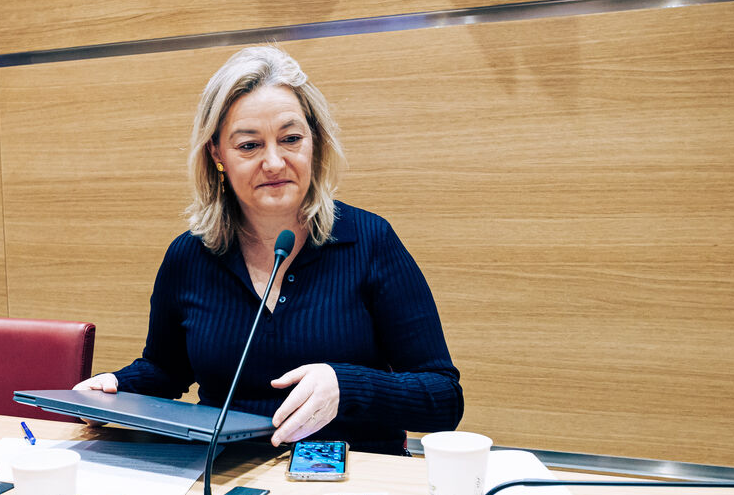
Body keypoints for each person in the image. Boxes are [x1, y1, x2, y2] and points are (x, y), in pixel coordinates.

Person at [74, 45, 462, 453]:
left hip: (348, 475)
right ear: (217, 154)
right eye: (249, 146)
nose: (274, 162)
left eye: (291, 139)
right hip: (222, 474)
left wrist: (347, 386)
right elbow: (166, 369)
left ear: (314, 141)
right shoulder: (189, 256)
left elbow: (443, 399)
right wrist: (114, 388)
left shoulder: (370, 240)